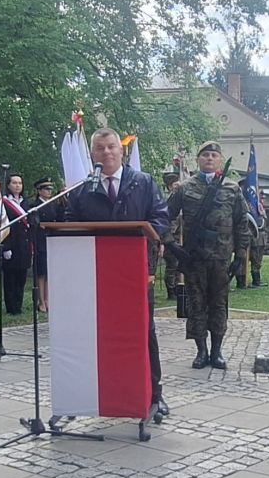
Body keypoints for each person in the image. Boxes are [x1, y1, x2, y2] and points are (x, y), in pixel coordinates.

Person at [66, 128, 170, 417]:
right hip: (96, 275)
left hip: (136, 272)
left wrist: (145, 238)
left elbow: (161, 220)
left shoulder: (144, 182)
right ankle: (105, 392)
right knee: (102, 334)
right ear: (92, 154)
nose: (107, 153)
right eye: (100, 148)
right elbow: (70, 223)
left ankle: (154, 395)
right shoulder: (84, 188)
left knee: (143, 332)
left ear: (121, 151)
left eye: (111, 147)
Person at [166, 141, 250, 369]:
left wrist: (241, 255)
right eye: (205, 155)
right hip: (194, 258)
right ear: (198, 160)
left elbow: (242, 222)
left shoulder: (232, 189)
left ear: (220, 160)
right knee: (196, 303)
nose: (209, 159)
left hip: (221, 258)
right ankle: (201, 351)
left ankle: (217, 351)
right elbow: (164, 217)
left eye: (214, 155)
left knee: (219, 304)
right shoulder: (184, 188)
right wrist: (171, 245)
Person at [31, 177, 64, 312]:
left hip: (52, 240)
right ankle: (41, 301)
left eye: (50, 189)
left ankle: (47, 299)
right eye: (46, 189)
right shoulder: (35, 205)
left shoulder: (53, 204)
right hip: (40, 241)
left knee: (49, 273)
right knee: (41, 273)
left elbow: (60, 218)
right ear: (39, 191)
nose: (49, 191)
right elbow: (35, 223)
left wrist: (63, 201)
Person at [0, 173, 30, 315]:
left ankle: (19, 304)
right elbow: (3, 225)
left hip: (24, 244)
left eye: (20, 183)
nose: (17, 186)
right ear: (8, 185)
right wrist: (6, 246)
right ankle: (10, 306)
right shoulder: (4, 203)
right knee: (10, 277)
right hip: (11, 243)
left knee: (21, 277)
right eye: (14, 183)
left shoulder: (25, 203)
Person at [161, 172, 182, 300]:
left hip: (180, 239)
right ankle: (171, 290)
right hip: (171, 240)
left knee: (179, 266)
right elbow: (168, 222)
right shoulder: (168, 201)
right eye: (175, 184)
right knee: (172, 265)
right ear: (170, 186)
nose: (178, 186)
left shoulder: (181, 198)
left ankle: (178, 287)